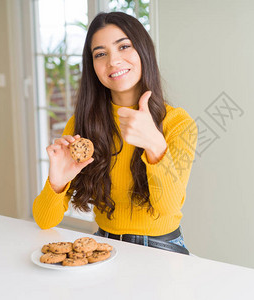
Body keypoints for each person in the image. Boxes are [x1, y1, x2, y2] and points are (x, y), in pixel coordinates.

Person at [32, 12, 197, 255]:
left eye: (124, 47)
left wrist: (154, 145)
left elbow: (168, 209)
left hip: (163, 248)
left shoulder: (177, 123)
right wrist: (57, 182)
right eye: (100, 53)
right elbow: (45, 221)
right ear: (93, 67)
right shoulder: (81, 125)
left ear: (143, 51)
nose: (113, 61)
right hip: (104, 246)